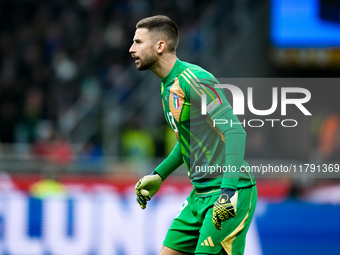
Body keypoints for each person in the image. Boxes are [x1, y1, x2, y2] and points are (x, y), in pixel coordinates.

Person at [129, 15, 257, 255]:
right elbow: (187, 141)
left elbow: (235, 131)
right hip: (199, 194)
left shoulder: (195, 79)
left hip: (230, 191)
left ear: (159, 46)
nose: (131, 48)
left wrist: (228, 192)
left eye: (138, 42)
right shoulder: (166, 86)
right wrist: (159, 174)